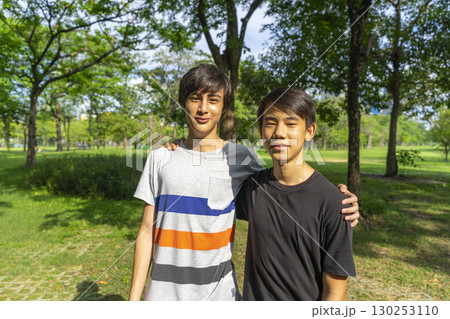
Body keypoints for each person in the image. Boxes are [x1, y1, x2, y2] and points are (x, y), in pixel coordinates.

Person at [129, 64, 359, 301]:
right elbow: (146, 230)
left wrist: (342, 203)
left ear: (224, 106)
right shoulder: (161, 157)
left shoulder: (242, 160)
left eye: (213, 100)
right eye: (195, 98)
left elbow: (288, 188)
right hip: (162, 295)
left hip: (220, 298)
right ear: (183, 102)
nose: (203, 108)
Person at [235, 87, 356, 301]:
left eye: (291, 124)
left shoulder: (335, 204)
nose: (279, 132)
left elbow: (334, 293)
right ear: (262, 131)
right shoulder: (251, 188)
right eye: (270, 123)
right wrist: (180, 146)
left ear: (309, 131)